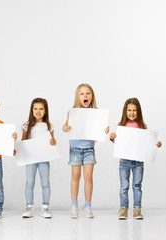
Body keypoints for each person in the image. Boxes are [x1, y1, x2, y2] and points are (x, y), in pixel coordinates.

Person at [109, 98, 162, 220]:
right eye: (129, 110)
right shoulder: (121, 126)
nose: (131, 113)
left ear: (138, 112)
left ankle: (137, 210)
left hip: (138, 161)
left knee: (137, 185)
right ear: (125, 111)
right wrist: (112, 137)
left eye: (134, 110)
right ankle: (123, 209)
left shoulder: (143, 126)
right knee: (124, 186)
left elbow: (148, 143)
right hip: (124, 161)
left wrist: (156, 144)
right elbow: (118, 143)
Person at [62, 84, 109, 218]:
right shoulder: (73, 111)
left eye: (88, 93)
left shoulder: (96, 112)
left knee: (88, 177)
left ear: (92, 96)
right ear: (78, 97)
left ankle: (87, 205)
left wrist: (104, 131)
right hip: (75, 148)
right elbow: (65, 126)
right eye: (82, 94)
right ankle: (74, 205)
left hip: (89, 149)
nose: (85, 96)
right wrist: (65, 127)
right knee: (75, 176)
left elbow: (100, 130)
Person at [20, 98, 56, 219]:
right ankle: (29, 207)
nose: (38, 111)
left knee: (45, 183)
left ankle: (45, 207)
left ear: (45, 111)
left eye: (41, 108)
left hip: (44, 159)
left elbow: (53, 142)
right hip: (30, 159)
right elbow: (23, 141)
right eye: (35, 108)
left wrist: (53, 141)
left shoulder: (49, 126)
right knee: (29, 183)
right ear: (32, 110)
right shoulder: (26, 125)